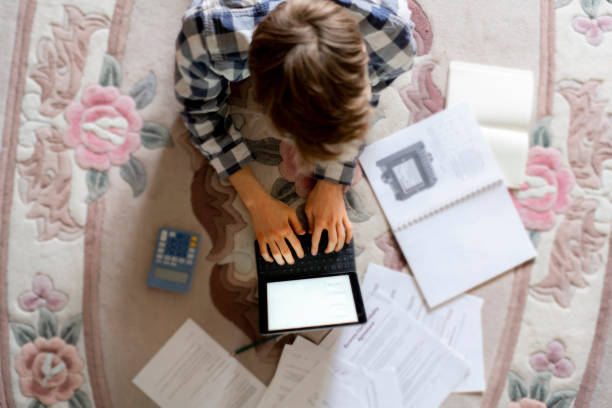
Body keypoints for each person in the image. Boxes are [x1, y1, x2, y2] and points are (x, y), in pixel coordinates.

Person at [175, 0, 416, 265]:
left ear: (363, 54)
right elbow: (199, 110)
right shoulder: (207, 35)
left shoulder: (393, 37)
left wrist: (333, 181)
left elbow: (371, 89)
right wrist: (254, 199)